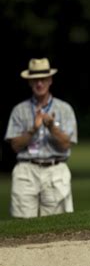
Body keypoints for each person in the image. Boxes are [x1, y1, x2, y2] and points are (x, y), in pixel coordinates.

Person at [4, 58, 78, 218]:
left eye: (43, 79)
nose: (39, 84)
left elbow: (66, 144)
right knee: (22, 223)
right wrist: (33, 129)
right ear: (29, 82)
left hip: (55, 169)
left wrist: (51, 127)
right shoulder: (19, 110)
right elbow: (15, 146)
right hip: (26, 169)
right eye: (35, 80)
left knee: (56, 223)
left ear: (50, 80)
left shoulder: (64, 109)